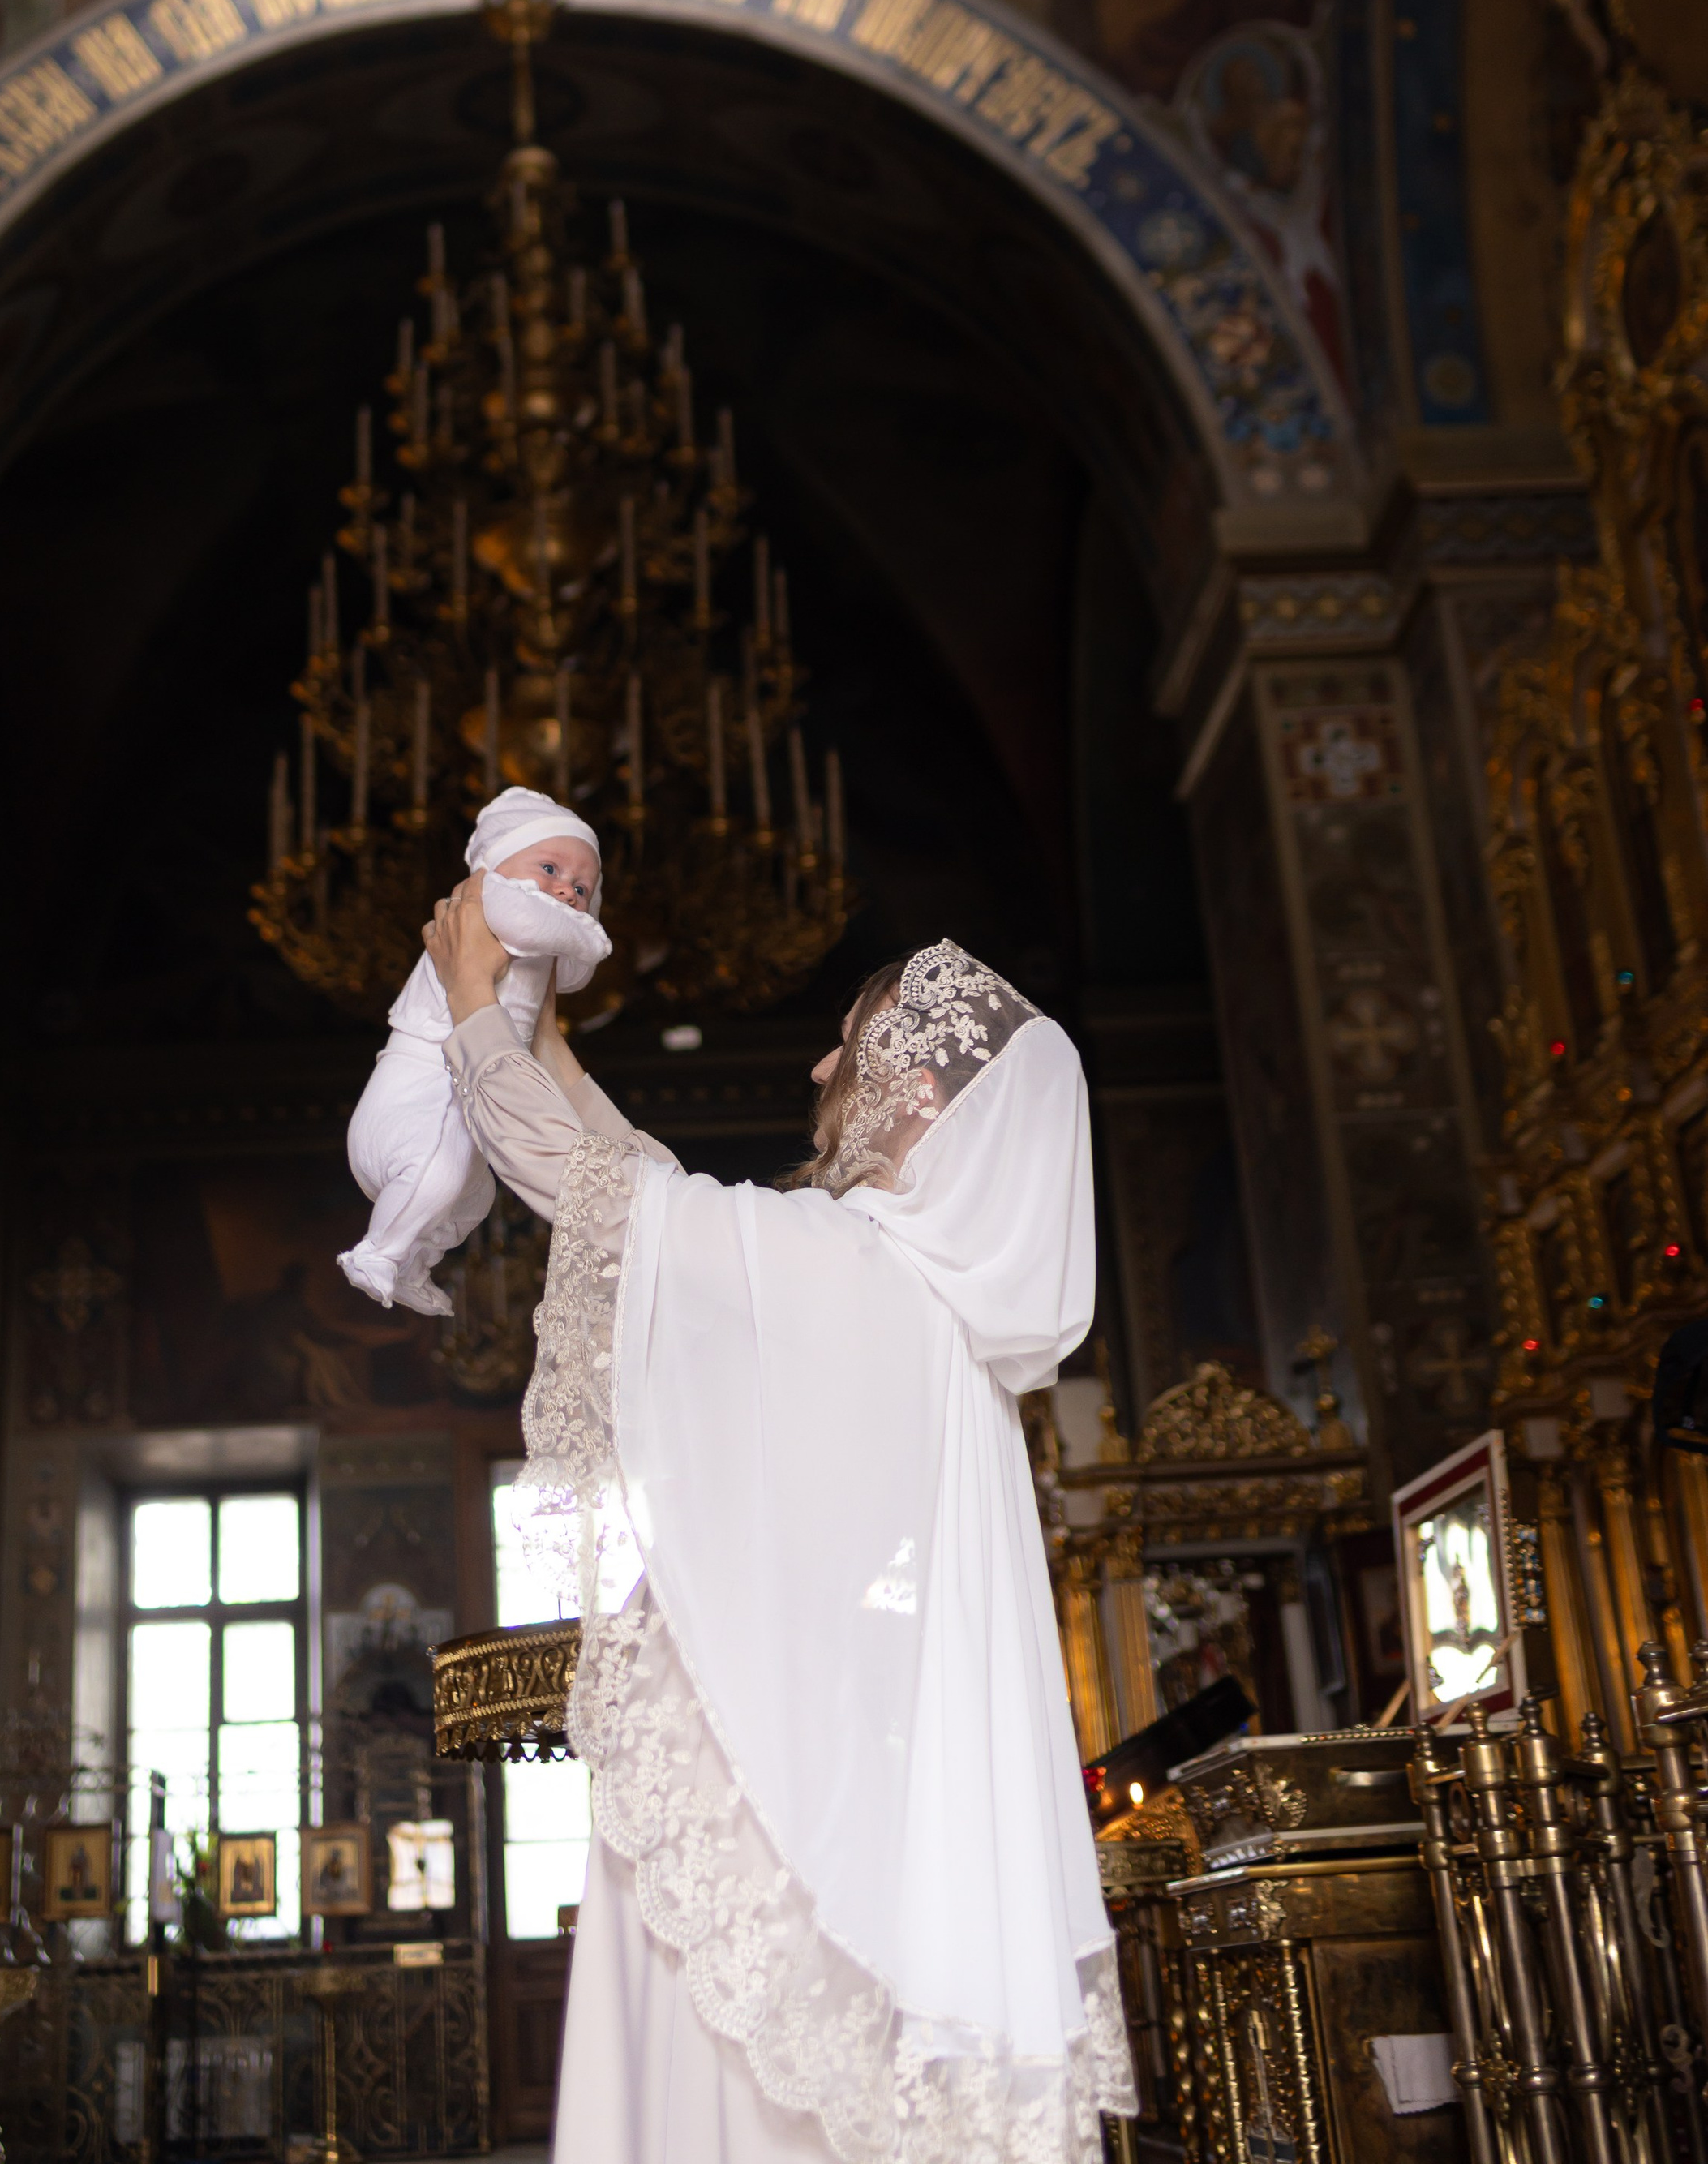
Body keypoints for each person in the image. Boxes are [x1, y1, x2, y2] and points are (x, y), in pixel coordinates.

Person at [423, 887, 1133, 2164]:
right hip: (816, 1804)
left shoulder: (852, 1270)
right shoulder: (912, 1307)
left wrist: (472, 1007)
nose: (817, 1066)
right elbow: (661, 1200)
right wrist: (542, 1038)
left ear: (914, 1096)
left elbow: (601, 1203)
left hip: (758, 1825)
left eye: (847, 1047)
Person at [338, 790, 611, 1313]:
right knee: (441, 1171)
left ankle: (414, 1261)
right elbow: (546, 931)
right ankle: (377, 1252)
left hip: (469, 1093)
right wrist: (591, 935)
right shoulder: (491, 898)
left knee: (474, 1196)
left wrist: (579, 934)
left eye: (582, 887)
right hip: (426, 1084)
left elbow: (574, 976)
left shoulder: (545, 932)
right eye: (549, 867)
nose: (565, 890)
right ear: (493, 863)